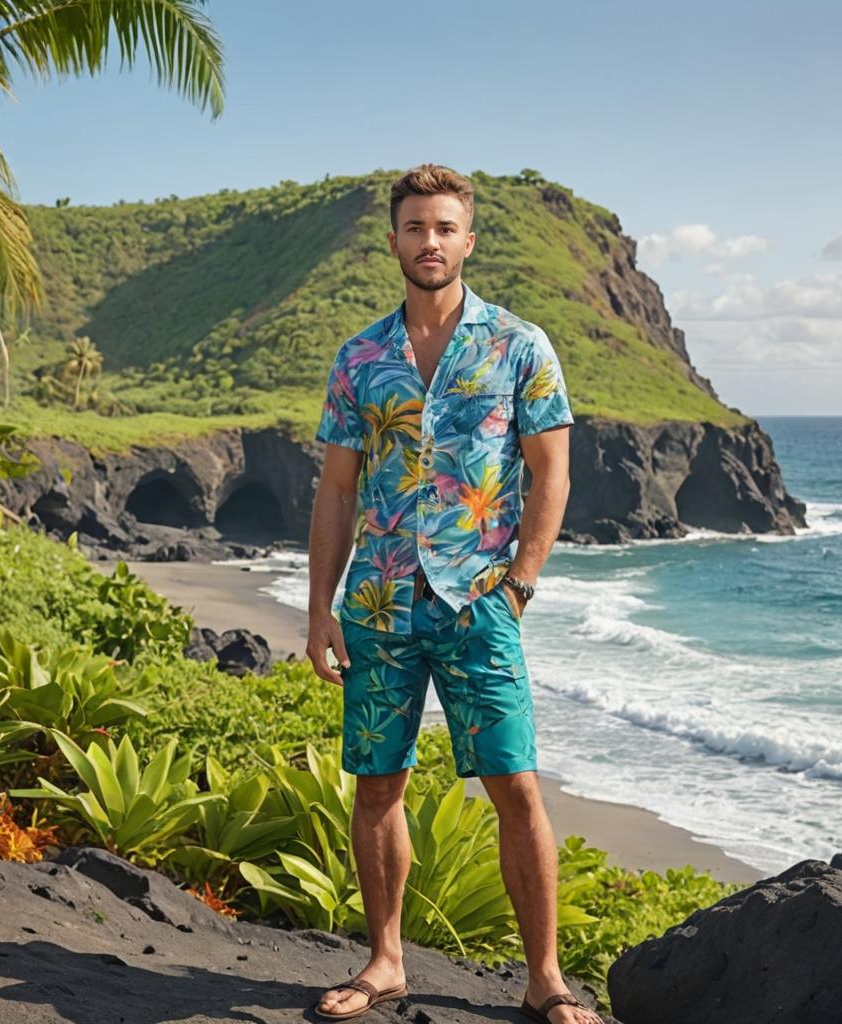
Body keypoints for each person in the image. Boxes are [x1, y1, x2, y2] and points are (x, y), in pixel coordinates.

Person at [306, 163, 602, 1024]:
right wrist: (321, 607)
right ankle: (386, 961)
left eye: (444, 228)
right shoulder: (359, 357)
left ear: (468, 239)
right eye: (414, 228)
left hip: (481, 602)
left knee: (515, 786)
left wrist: (520, 585)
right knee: (376, 786)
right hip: (380, 603)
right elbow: (335, 491)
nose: (429, 242)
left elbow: (553, 474)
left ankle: (544, 977)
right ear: (393, 239)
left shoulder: (521, 345)